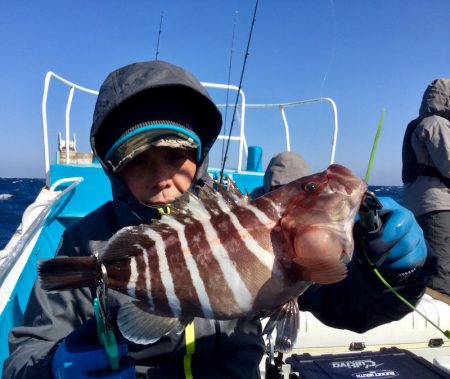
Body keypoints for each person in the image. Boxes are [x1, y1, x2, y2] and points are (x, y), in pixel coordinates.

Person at [3, 60, 433, 379]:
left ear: (199, 154)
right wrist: (53, 369)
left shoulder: (255, 222)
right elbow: (23, 356)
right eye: (137, 163)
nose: (162, 179)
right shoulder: (87, 244)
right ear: (114, 169)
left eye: (176, 156)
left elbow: (351, 310)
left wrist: (398, 273)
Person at [402, 77, 450, 297]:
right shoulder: (436, 124)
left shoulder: (421, 122)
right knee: (440, 267)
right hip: (437, 205)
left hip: (420, 203)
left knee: (429, 261)